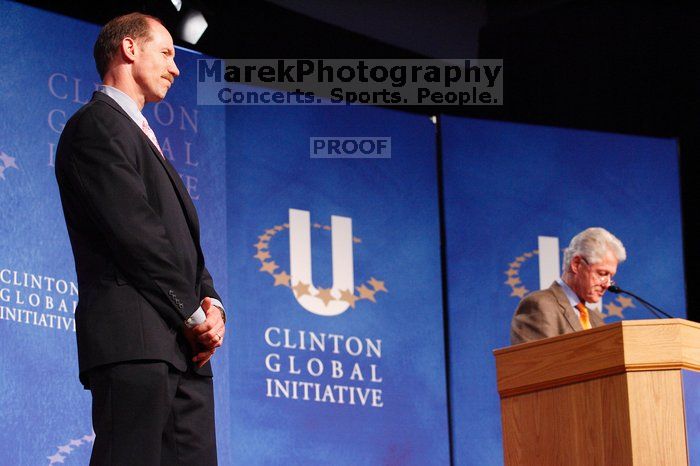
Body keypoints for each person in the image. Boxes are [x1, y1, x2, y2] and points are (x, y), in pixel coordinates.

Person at [55, 13, 225, 465]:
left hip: (183, 349)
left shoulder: (139, 135)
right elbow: (136, 234)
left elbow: (179, 241)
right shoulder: (96, 126)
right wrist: (192, 314)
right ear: (130, 49)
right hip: (136, 342)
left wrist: (211, 303)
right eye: (167, 52)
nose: (176, 67)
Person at [510, 227, 626, 345]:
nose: (607, 284)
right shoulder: (540, 305)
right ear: (576, 264)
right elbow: (537, 362)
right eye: (602, 273)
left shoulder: (597, 321)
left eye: (610, 276)